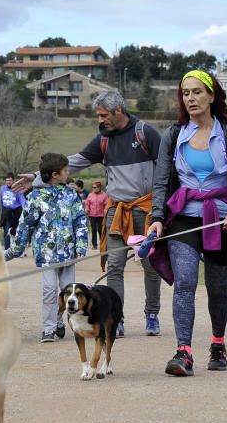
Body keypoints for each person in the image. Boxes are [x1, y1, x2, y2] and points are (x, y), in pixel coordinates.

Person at [14, 90, 162, 337]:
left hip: (146, 209)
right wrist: (38, 177)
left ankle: (152, 313)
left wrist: (165, 207)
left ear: (118, 111)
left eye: (104, 115)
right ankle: (117, 318)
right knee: (114, 266)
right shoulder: (102, 140)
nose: (100, 120)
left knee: (150, 265)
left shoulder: (145, 133)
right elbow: (72, 163)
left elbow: (167, 166)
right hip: (117, 210)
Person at [146, 70, 227, 376]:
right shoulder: (172, 135)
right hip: (183, 219)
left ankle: (218, 344)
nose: (191, 98)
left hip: (222, 221)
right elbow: (160, 183)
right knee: (184, 283)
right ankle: (183, 352)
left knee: (218, 286)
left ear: (211, 95)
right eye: (185, 93)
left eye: (197, 92)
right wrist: (157, 218)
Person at [5, 153, 89, 343]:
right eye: (65, 170)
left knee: (68, 291)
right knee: (50, 290)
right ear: (54, 174)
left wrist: (81, 245)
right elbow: (26, 224)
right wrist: (16, 249)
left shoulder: (71, 194)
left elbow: (80, 220)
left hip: (68, 254)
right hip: (46, 254)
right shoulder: (35, 197)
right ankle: (49, 328)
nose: (69, 173)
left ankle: (59, 320)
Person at [0, 173, 26, 249]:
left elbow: (22, 200)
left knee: (16, 230)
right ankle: (7, 249)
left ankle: (18, 248)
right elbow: (1, 201)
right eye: (7, 181)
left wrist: (24, 210)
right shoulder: (2, 188)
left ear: (13, 181)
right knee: (6, 230)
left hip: (16, 212)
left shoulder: (18, 188)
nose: (9, 182)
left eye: (10, 180)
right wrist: (2, 213)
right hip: (6, 212)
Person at [84, 180, 109, 250]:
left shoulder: (104, 195)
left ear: (99, 188)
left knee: (101, 230)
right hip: (92, 215)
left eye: (95, 187)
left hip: (101, 215)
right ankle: (94, 245)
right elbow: (87, 203)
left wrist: (105, 209)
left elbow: (107, 203)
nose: (93, 189)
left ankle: (103, 244)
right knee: (94, 230)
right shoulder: (90, 195)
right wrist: (87, 208)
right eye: (93, 187)